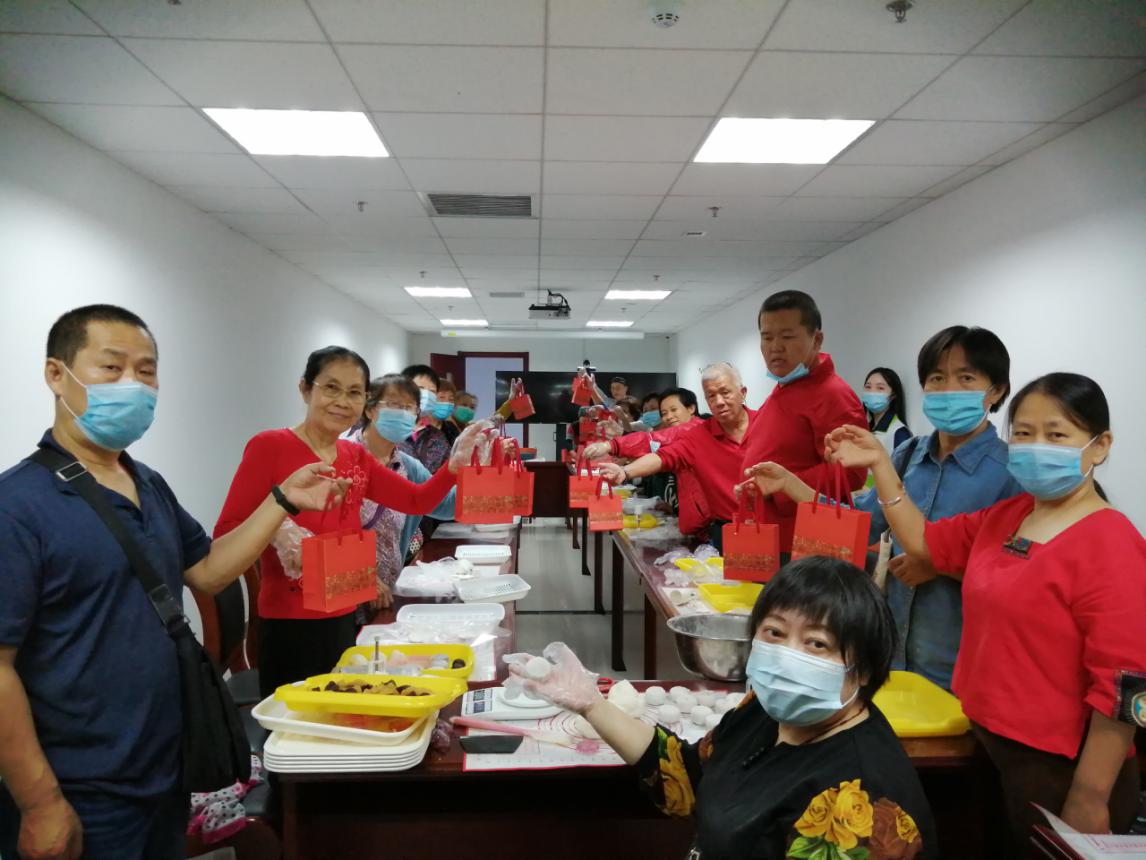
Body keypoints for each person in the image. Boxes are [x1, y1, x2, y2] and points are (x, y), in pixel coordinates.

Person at [0, 305, 351, 860]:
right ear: (56, 375)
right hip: (82, 785)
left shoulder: (147, 483)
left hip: (164, 764)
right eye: (111, 368)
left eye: (146, 371)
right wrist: (40, 802)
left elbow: (208, 570)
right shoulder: (18, 506)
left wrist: (282, 500)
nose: (133, 385)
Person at [821, 373, 1145, 850]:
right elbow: (924, 542)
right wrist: (880, 464)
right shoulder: (1010, 516)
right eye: (1024, 433)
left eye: (1056, 434)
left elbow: (1124, 685)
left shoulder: (1112, 543)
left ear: (1100, 446)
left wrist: (1090, 796)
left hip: (1061, 768)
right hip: (986, 743)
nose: (1036, 446)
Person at [508, 557, 937, 860]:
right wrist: (590, 704)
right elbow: (688, 779)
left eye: (816, 643)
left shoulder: (861, 804)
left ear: (863, 668)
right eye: (774, 632)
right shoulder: (764, 711)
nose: (787, 657)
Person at [749, 327, 1023, 691]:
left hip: (963, 664)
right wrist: (790, 484)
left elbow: (1018, 578)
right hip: (892, 651)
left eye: (966, 378)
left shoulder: (1012, 473)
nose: (947, 390)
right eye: (937, 378)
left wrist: (939, 564)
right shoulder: (909, 456)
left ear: (997, 390)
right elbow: (860, 523)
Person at [215, 348, 482, 699]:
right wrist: (278, 525)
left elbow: (417, 501)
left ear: (363, 401)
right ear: (305, 389)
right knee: (297, 719)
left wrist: (453, 468)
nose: (342, 401)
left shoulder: (354, 456)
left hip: (346, 610)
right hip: (290, 620)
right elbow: (227, 530)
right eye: (331, 388)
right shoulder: (270, 446)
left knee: (343, 710)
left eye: (354, 392)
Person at [739, 290, 867, 554]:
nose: (775, 347)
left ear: (816, 340)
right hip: (768, 536)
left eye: (787, 337)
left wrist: (782, 486)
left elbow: (852, 473)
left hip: (805, 544)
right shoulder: (786, 386)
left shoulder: (832, 394)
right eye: (767, 337)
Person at [598, 363, 755, 549]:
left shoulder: (766, 423)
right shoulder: (698, 435)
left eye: (725, 392)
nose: (719, 401)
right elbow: (662, 455)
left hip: (767, 525)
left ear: (742, 393)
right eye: (711, 396)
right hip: (722, 527)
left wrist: (614, 446)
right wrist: (625, 471)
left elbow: (654, 442)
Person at [344, 374, 458, 606]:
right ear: (370, 409)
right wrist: (361, 575)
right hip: (345, 589)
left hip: (387, 593)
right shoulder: (343, 457)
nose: (403, 414)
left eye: (409, 408)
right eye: (394, 405)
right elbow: (322, 528)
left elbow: (446, 505)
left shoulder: (407, 466)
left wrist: (481, 469)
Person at [584, 387, 709, 535]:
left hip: (708, 522)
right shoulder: (685, 437)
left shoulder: (694, 429)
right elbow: (659, 455)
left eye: (674, 410)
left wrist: (611, 445)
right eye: (664, 413)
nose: (669, 417)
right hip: (696, 517)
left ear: (691, 408)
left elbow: (653, 440)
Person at [399, 363, 452, 474]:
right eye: (420, 389)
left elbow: (446, 474)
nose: (426, 395)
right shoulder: (388, 428)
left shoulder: (438, 437)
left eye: (432, 391)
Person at [862, 367, 912, 455]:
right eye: (868, 387)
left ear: (893, 395)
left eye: (880, 388)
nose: (872, 392)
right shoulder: (865, 429)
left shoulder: (899, 433)